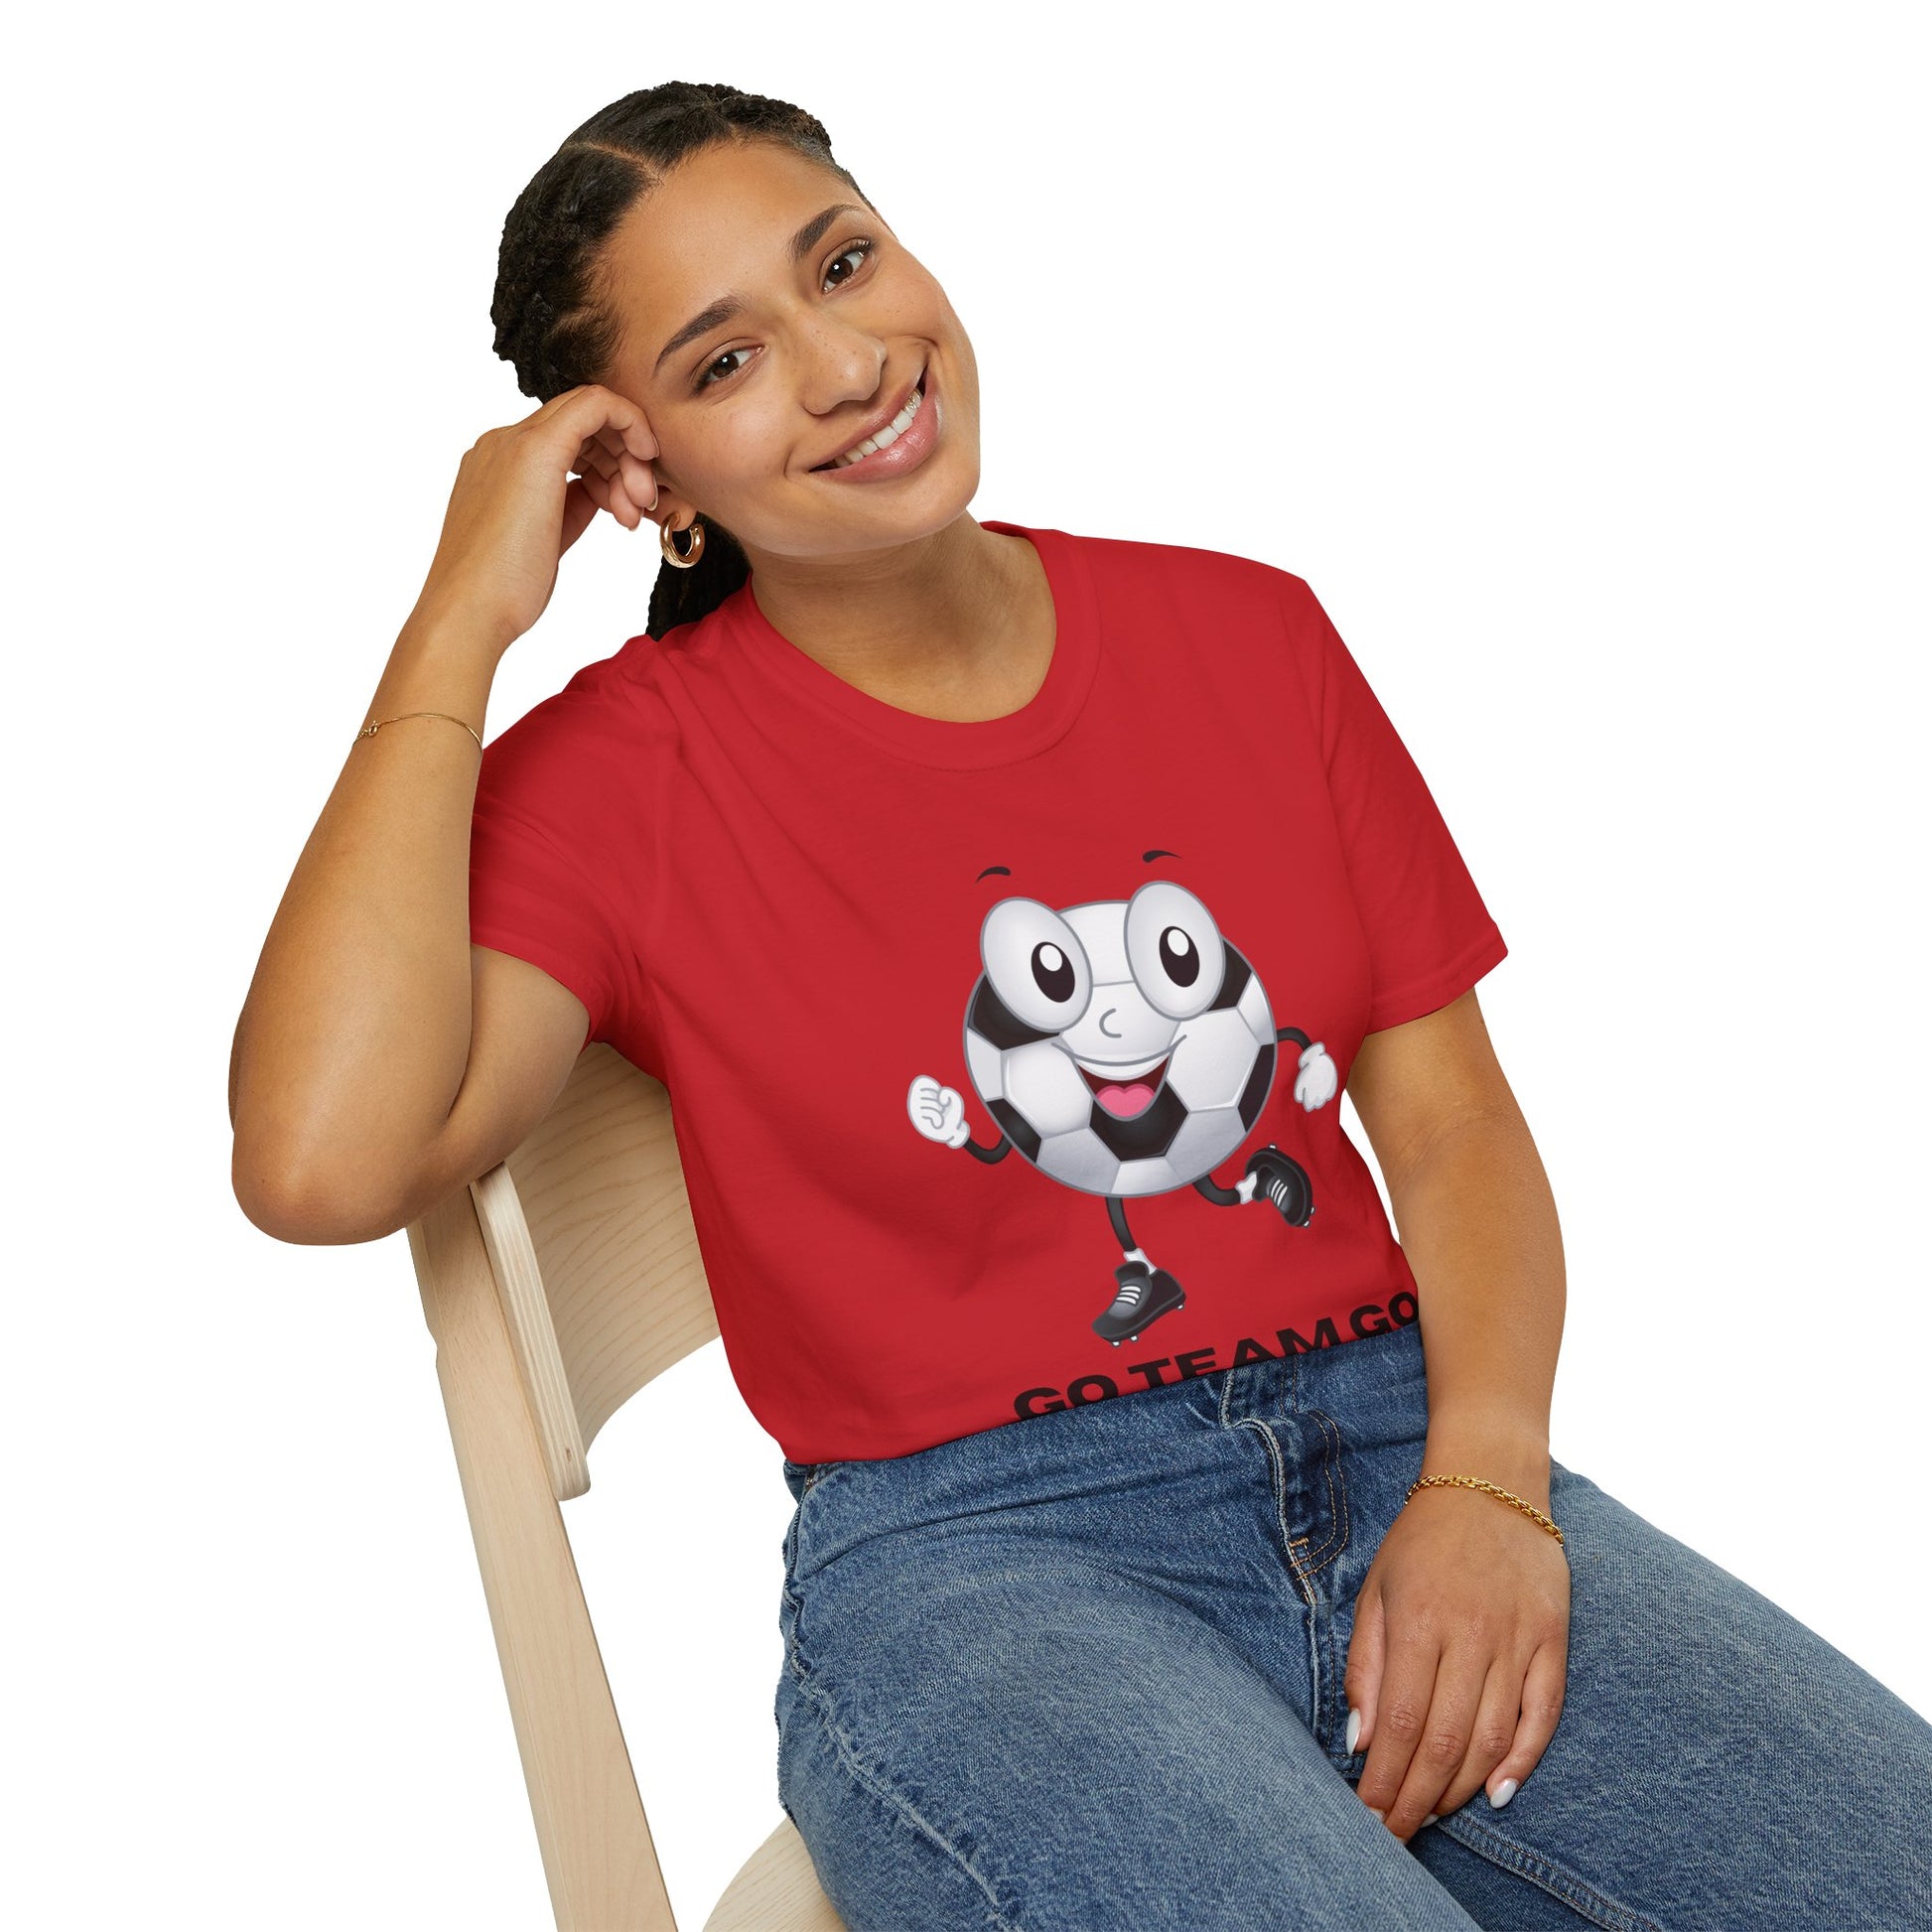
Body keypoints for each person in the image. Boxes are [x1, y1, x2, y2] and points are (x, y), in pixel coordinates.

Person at [228, 80, 1932, 1931]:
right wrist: (456, 619)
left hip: (1401, 1439)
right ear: (645, 479)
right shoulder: (623, 775)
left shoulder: (1249, 635)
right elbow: (320, 1159)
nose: (846, 362)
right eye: (725, 363)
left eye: (845, 262)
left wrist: (1490, 1484)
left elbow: (1447, 1127)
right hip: (981, 1562)